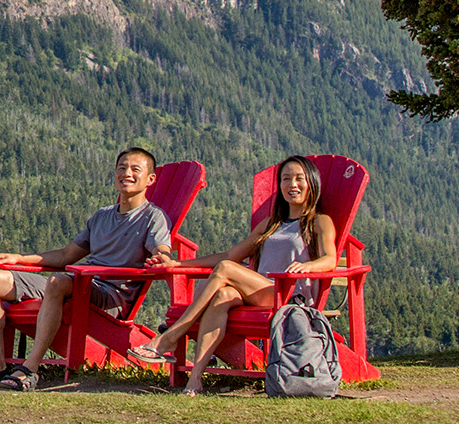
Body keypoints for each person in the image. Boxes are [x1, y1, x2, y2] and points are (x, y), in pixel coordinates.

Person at [0, 147, 173, 391]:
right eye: (122, 168)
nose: (127, 173)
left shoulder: (153, 217)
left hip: (110, 296)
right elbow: (66, 255)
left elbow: (161, 249)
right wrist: (19, 258)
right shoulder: (102, 216)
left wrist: (161, 258)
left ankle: (30, 368)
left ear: (150, 179)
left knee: (58, 282)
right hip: (78, 282)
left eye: (136, 169)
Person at [127, 155, 337, 395]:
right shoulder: (270, 224)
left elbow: (330, 258)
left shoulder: (320, 221)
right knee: (222, 295)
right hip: (261, 291)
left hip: (288, 295)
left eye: (299, 179)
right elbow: (230, 254)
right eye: (286, 179)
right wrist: (178, 264)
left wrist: (308, 267)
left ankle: (171, 336)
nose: (292, 185)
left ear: (312, 183)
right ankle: (194, 380)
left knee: (227, 269)